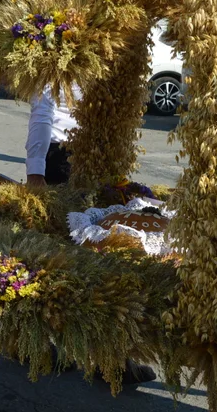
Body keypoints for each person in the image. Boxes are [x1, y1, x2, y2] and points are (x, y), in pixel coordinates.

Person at [25, 85, 157, 386]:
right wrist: (36, 171)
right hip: (61, 158)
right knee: (59, 257)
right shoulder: (64, 46)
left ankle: (111, 357)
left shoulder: (118, 55)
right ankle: (36, 345)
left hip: (101, 158)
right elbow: (43, 110)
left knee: (109, 255)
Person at [25, 86, 79, 187]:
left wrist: (35, 171)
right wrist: (35, 172)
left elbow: (41, 115)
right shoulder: (51, 75)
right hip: (61, 155)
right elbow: (42, 115)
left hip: (91, 154)